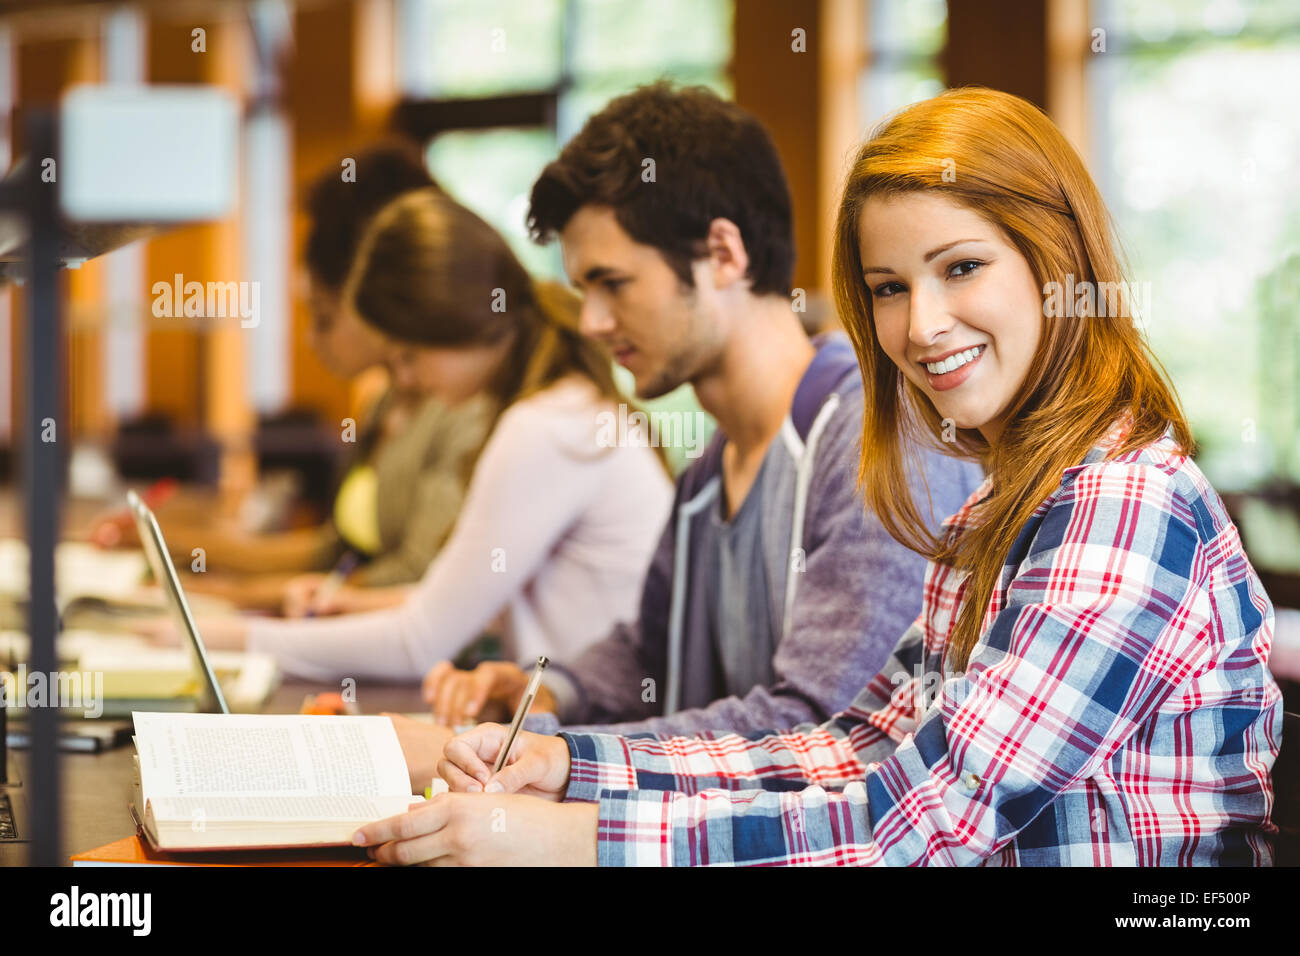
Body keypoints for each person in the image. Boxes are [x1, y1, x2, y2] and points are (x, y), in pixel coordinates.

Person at [354, 87, 1282, 866]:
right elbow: (859, 746)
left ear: (1059, 264)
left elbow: (928, 822)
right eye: (887, 287)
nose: (921, 326)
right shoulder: (1003, 508)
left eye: (962, 267)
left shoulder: (1122, 502)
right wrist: (569, 766)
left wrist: (574, 838)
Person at [414, 83, 982, 761]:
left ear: (722, 255)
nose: (592, 322)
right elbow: (649, 653)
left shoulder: (876, 440)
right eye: (582, 292)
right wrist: (547, 691)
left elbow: (821, 730)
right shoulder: (711, 467)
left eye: (612, 283)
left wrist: (541, 751)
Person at [183, 187, 673, 686]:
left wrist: (216, 638)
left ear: (458, 326)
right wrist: (356, 602)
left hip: (588, 726)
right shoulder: (562, 407)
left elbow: (419, 644)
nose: (407, 381)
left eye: (408, 356)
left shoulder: (547, 428)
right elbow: (461, 600)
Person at [92, 143, 493, 612]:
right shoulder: (385, 403)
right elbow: (333, 552)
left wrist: (220, 595)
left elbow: (413, 580)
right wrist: (173, 543)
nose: (310, 339)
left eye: (323, 317)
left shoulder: (463, 407)